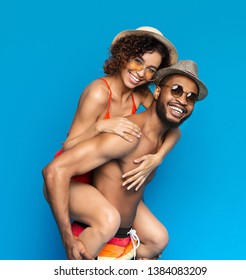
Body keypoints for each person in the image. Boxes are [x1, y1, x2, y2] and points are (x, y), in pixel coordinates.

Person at [43, 60, 208, 260]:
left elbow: (176, 133)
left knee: (158, 238)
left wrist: (158, 158)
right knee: (109, 221)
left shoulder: (164, 139)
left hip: (123, 233)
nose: (183, 100)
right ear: (156, 92)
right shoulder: (127, 135)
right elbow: (54, 170)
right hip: (100, 226)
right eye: (176, 90)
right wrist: (67, 238)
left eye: (190, 98)